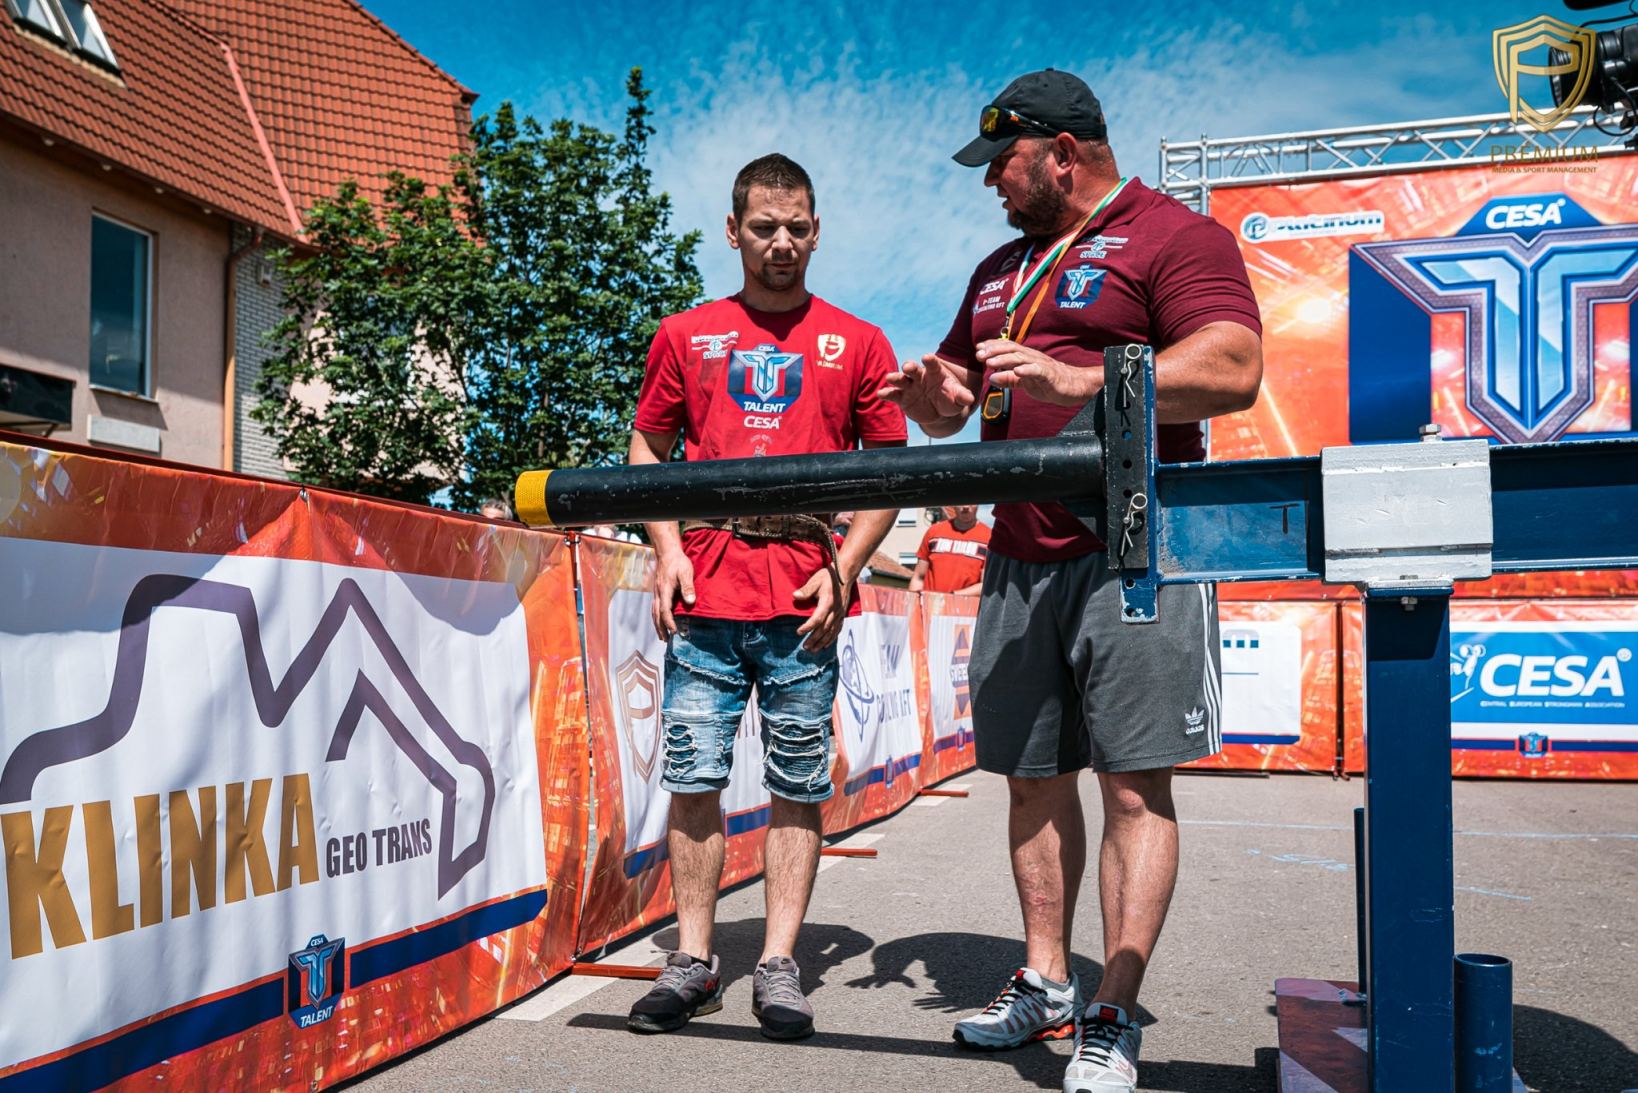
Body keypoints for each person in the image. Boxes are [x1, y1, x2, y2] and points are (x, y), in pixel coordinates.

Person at [880, 70, 1262, 1093]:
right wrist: (935, 392)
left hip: (1134, 547)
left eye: (1000, 163)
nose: (989, 184)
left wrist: (1087, 380)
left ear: (1061, 152)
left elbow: (1233, 367)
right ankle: (1047, 981)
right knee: (1032, 776)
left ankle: (1113, 1009)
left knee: (1134, 783)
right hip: (1019, 553)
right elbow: (956, 405)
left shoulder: (1173, 235)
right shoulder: (999, 268)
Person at [625, 153, 906, 1040]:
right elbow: (647, 447)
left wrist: (846, 566)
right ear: (733, 230)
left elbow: (889, 471)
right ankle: (694, 960)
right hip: (705, 592)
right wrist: (666, 549)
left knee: (796, 784)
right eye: (763, 227)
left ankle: (779, 963)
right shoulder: (686, 333)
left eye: (796, 227)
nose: (780, 242)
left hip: (804, 604)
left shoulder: (858, 341)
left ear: (816, 232)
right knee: (692, 778)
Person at [909, 504, 990, 595]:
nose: (966, 507)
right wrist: (912, 601)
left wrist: (951, 596)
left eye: (971, 501)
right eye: (962, 501)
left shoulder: (989, 537)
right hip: (929, 602)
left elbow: (986, 585)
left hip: (964, 603)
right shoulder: (934, 531)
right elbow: (918, 578)